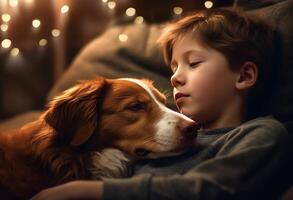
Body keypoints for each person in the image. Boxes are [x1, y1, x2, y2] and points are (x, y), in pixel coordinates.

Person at [31, 8, 291, 200]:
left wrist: (91, 192)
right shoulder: (151, 145)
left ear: (244, 76)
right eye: (174, 67)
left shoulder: (261, 134)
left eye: (194, 63)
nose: (175, 77)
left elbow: (213, 189)